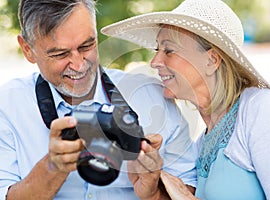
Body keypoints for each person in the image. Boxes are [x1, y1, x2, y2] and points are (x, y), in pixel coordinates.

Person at [101, 0, 270, 199]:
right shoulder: (203, 141)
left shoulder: (261, 109)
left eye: (169, 50)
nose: (155, 62)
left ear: (211, 60)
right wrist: (154, 193)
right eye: (157, 50)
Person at [0, 0, 198, 199]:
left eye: (87, 46)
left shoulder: (153, 97)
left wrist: (154, 192)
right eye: (60, 54)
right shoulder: (7, 107)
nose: (79, 65)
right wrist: (53, 166)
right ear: (27, 49)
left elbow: (189, 190)